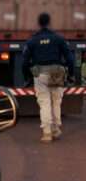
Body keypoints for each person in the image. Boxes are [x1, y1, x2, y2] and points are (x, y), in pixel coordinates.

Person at [22, 12, 74, 143]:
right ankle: (56, 129)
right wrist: (71, 75)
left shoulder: (32, 40)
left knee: (44, 102)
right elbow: (70, 58)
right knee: (56, 101)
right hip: (57, 71)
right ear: (49, 23)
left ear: (39, 24)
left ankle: (47, 133)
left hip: (40, 73)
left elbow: (24, 62)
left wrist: (27, 78)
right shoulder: (58, 38)